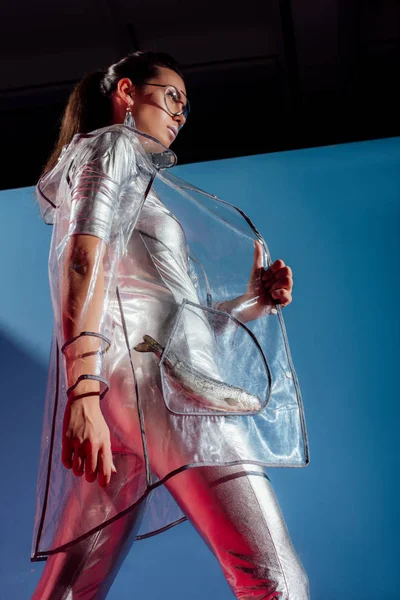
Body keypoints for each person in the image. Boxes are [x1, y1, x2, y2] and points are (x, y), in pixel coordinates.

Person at [31, 50, 310, 599]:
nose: (182, 113)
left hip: (130, 389)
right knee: (274, 579)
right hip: (155, 389)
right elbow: (82, 259)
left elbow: (165, 318)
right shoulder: (110, 146)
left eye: (187, 104)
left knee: (70, 589)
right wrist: (81, 391)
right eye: (173, 95)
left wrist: (252, 304)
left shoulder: (131, 178)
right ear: (127, 92)